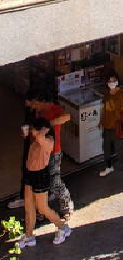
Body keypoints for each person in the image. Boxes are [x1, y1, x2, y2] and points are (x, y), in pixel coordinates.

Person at [18, 118, 71, 248]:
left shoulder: (48, 141)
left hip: (40, 177)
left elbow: (41, 137)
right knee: (29, 207)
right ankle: (29, 235)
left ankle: (62, 227)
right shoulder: (36, 139)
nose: (32, 131)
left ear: (41, 130)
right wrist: (27, 135)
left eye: (34, 129)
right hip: (30, 175)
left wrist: (45, 128)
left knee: (42, 208)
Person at [25, 90, 73, 222]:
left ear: (42, 101)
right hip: (39, 154)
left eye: (34, 104)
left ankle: (67, 207)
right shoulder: (38, 112)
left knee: (55, 182)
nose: (33, 107)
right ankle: (41, 210)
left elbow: (67, 117)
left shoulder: (54, 109)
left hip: (53, 152)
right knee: (41, 183)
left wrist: (49, 124)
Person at [99, 73, 123, 176]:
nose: (111, 83)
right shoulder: (106, 94)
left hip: (118, 123)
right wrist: (101, 121)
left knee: (119, 147)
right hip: (107, 123)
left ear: (117, 81)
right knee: (107, 147)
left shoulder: (121, 93)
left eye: (113, 81)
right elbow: (104, 109)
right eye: (109, 81)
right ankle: (108, 167)